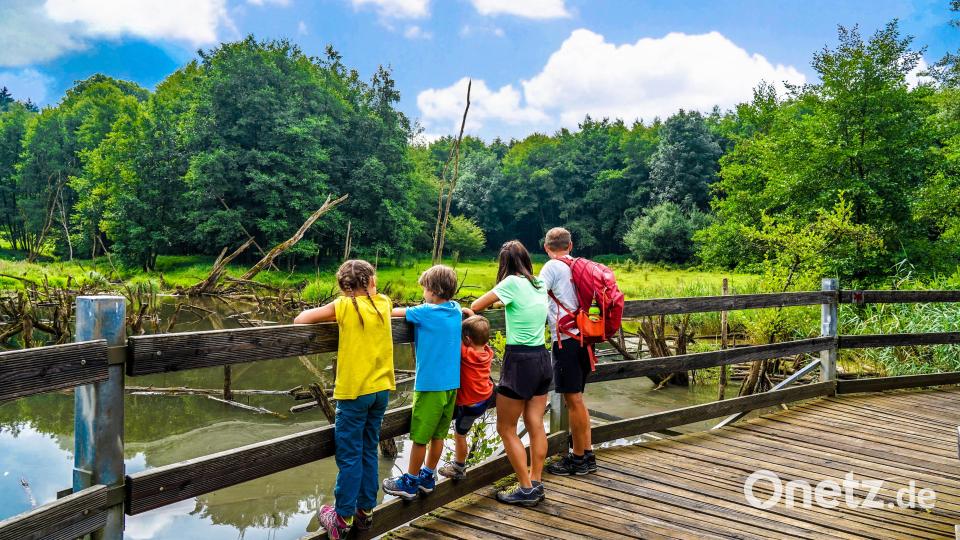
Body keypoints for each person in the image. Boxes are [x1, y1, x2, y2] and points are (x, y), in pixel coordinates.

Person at [293, 260, 395, 540]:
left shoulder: (343, 306)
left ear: (342, 286)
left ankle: (342, 516)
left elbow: (301, 319)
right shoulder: (383, 303)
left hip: (353, 394)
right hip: (381, 391)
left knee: (349, 455)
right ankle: (366, 509)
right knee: (368, 448)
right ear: (371, 282)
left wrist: (338, 310)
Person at [471, 240, 550, 506]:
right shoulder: (539, 283)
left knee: (506, 427)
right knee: (535, 423)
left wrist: (497, 303)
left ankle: (525, 489)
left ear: (503, 263)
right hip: (542, 357)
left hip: (520, 361)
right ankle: (535, 481)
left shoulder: (509, 284)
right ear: (526, 259)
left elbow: (476, 305)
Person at [382, 265, 463, 500]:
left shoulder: (425, 312)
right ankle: (428, 476)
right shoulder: (456, 309)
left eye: (425, 289)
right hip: (451, 386)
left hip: (430, 386)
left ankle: (410, 481)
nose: (423, 294)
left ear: (434, 291)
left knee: (419, 437)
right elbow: (463, 309)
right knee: (438, 434)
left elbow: (394, 313)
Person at [541, 227, 598, 476]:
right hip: (584, 336)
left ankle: (577, 459)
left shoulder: (551, 267)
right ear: (570, 245)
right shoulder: (579, 265)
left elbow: (535, 295)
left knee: (573, 400)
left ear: (546, 247)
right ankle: (586, 454)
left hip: (566, 339)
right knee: (578, 400)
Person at [439, 315, 496, 480]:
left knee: (460, 434)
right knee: (462, 430)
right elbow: (478, 333)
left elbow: (452, 335)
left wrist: (458, 317)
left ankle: (459, 467)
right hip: (486, 397)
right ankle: (459, 465)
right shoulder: (487, 351)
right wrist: (471, 315)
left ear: (468, 339)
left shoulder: (465, 353)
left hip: (471, 405)